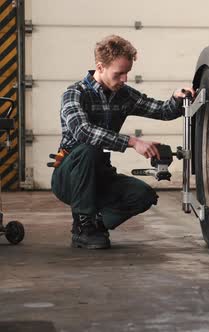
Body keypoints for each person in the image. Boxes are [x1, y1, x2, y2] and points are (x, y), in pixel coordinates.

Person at [51, 35, 195, 249]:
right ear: (100, 67)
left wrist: (176, 98)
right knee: (89, 150)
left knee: (143, 195)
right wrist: (133, 142)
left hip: (100, 173)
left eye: (127, 73)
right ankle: (82, 227)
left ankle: (96, 224)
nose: (125, 79)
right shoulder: (74, 94)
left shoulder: (123, 95)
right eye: (119, 74)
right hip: (69, 175)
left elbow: (162, 111)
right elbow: (83, 131)